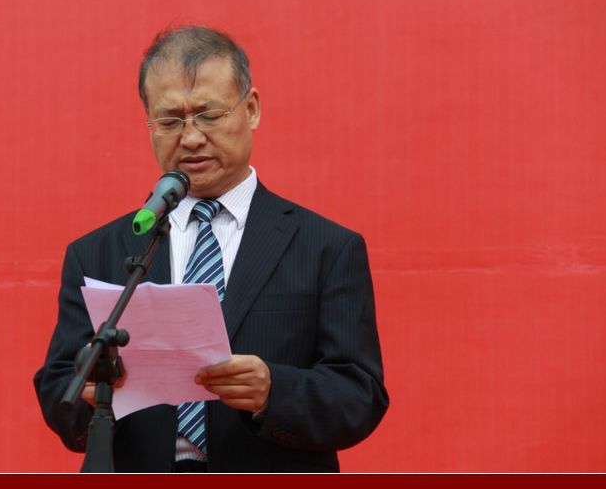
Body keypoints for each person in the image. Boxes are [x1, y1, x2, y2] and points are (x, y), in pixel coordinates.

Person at [33, 25, 389, 472]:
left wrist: (274, 391)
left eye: (209, 115)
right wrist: (90, 395)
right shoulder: (98, 253)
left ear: (251, 109)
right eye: (170, 121)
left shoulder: (326, 248)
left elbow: (359, 396)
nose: (191, 137)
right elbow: (59, 393)